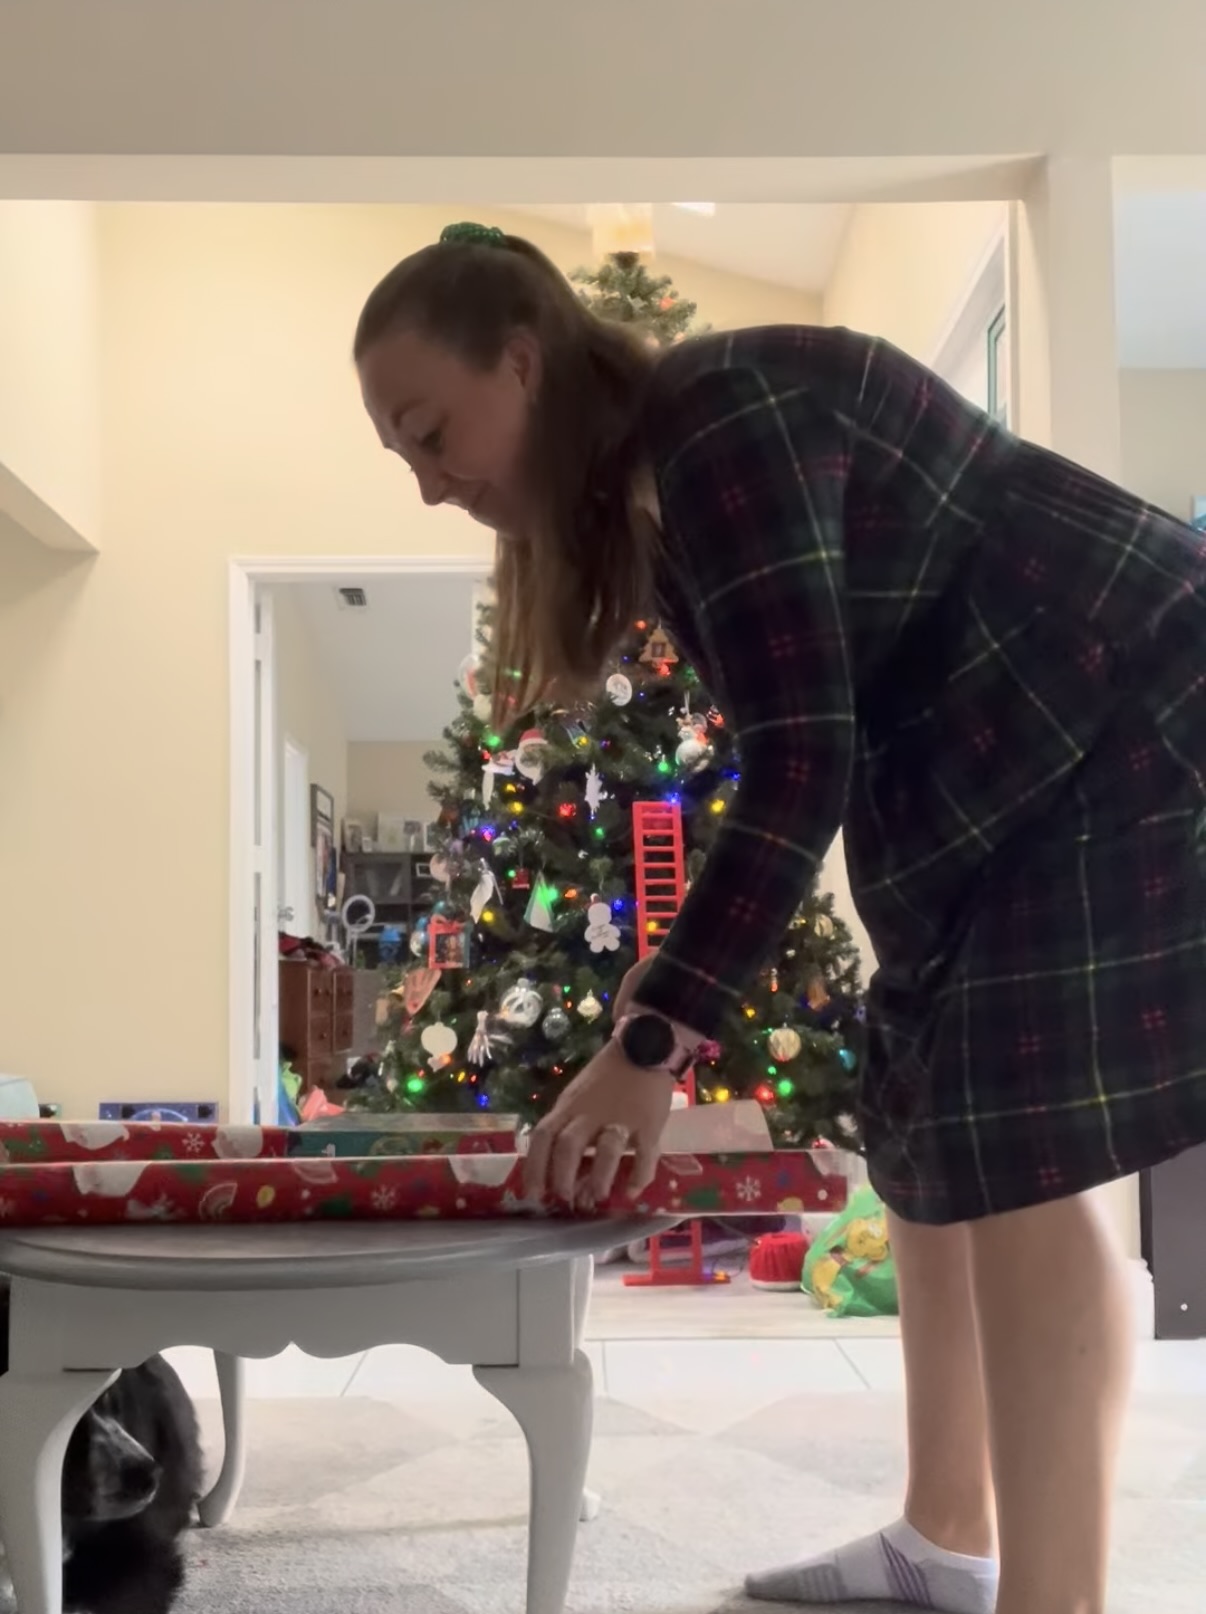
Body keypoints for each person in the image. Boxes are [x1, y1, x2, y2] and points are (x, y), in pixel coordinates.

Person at [353, 221, 1206, 1614]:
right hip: (982, 769)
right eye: (403, 455)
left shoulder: (719, 420)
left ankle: (1054, 1598)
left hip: (1115, 709)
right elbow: (826, 724)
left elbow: (799, 756)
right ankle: (944, 1539)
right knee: (921, 1118)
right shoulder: (657, 481)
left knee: (1022, 1148)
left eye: (431, 432)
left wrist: (650, 1041)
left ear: (521, 360)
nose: (431, 481)